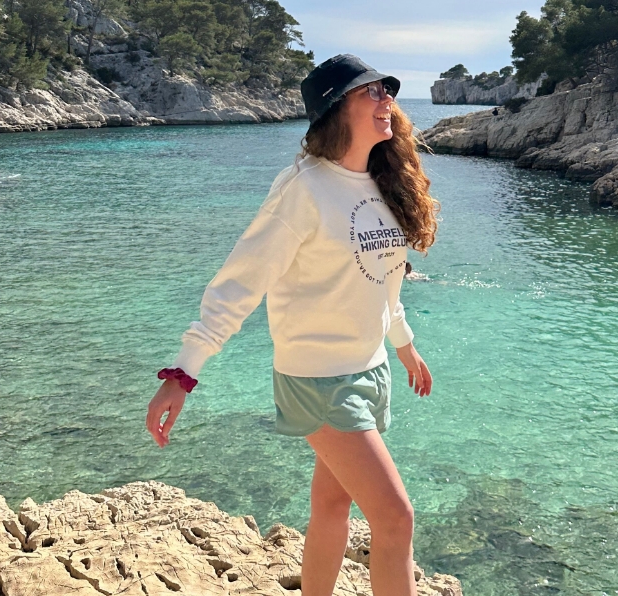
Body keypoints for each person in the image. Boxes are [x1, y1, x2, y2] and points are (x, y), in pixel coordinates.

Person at [146, 54, 438, 596]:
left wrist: (404, 345)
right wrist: (183, 372)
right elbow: (240, 283)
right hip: (320, 380)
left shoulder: (380, 183)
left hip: (370, 371)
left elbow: (383, 280)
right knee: (396, 518)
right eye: (372, 92)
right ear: (337, 108)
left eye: (388, 90)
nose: (388, 101)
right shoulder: (302, 188)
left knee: (331, 505)